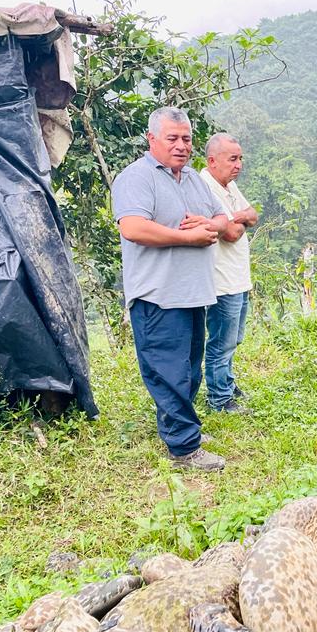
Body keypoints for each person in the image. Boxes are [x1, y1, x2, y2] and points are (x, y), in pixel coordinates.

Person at [112, 107, 228, 472]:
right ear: (152, 139)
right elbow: (132, 227)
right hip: (158, 296)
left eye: (186, 139)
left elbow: (222, 218)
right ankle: (184, 448)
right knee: (168, 372)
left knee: (189, 370)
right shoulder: (136, 177)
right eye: (172, 138)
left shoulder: (193, 178)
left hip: (193, 292)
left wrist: (210, 223)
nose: (181, 146)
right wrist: (189, 238)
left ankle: (182, 427)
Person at [200, 133, 258, 413]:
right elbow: (232, 233)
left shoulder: (228, 186)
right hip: (222, 280)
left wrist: (237, 217)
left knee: (233, 339)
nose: (239, 165)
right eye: (233, 159)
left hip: (238, 277)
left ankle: (226, 382)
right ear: (213, 161)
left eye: (240, 158)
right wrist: (239, 218)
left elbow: (253, 214)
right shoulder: (206, 188)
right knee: (221, 342)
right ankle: (219, 398)